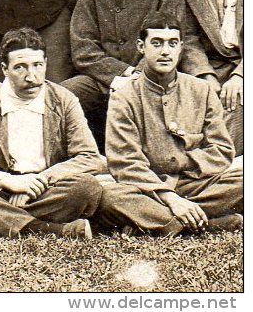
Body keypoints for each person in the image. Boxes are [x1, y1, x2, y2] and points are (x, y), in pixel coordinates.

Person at [0, 27, 104, 239]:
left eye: (38, 65)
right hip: (0, 191)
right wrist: (5, 181)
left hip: (45, 190)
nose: (31, 76)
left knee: (87, 188)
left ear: (45, 64)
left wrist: (38, 181)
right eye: (20, 67)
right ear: (4, 69)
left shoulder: (64, 100)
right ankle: (46, 230)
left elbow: (89, 158)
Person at [97, 12, 243, 236]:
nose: (165, 51)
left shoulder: (201, 90)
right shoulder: (124, 96)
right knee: (110, 197)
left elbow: (222, 151)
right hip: (147, 188)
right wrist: (169, 197)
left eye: (172, 43)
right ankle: (208, 224)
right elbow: (124, 162)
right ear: (141, 47)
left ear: (181, 48)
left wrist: (178, 169)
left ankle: (158, 222)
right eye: (156, 43)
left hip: (194, 183)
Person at [63, 0, 184, 150]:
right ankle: (79, 159)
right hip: (105, 79)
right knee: (63, 96)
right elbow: (83, 48)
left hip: (153, 76)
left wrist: (137, 76)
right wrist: (119, 74)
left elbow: (168, 41)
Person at [180, 0, 243, 156]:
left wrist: (240, 76)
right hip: (212, 68)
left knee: (235, 106)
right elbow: (189, 37)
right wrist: (205, 75)